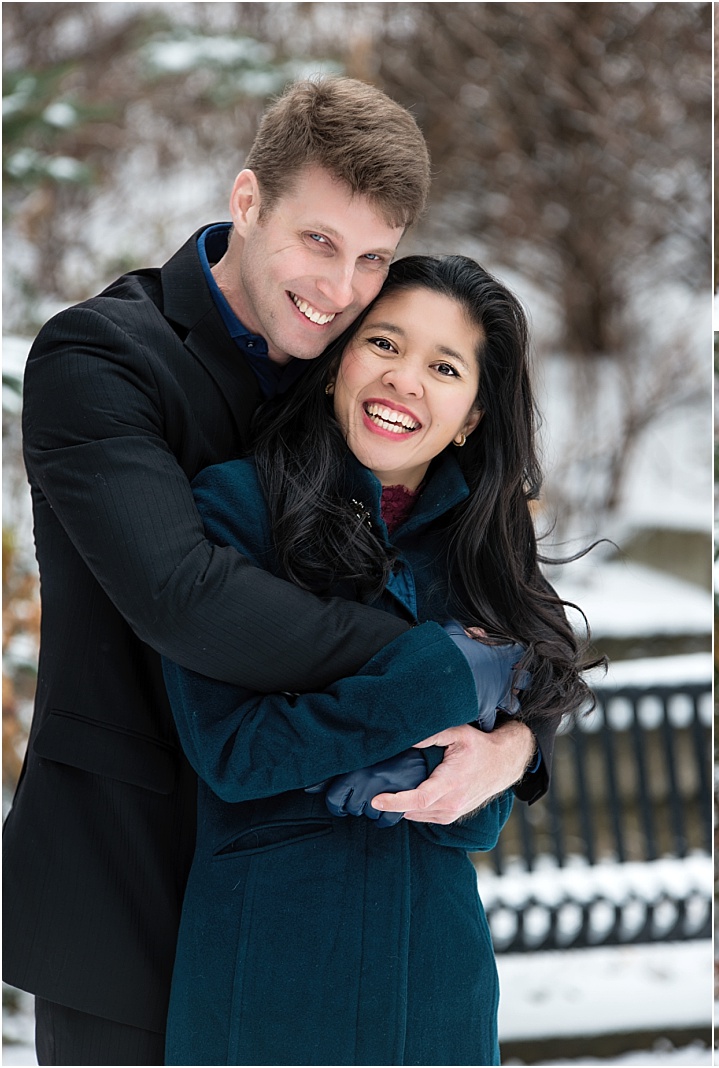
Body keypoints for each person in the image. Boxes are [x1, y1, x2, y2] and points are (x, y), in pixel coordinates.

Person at [4, 77, 551, 1066]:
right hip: (132, 878)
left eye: (371, 259)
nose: (341, 289)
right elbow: (189, 599)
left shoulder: (353, 366)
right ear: (247, 203)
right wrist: (438, 665)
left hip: (311, 889)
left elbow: (501, 600)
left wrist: (513, 742)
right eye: (318, 242)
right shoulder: (103, 359)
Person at [159, 255, 592, 1065]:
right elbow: (234, 752)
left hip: (436, 970)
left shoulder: (486, 540)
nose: (404, 381)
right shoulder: (236, 504)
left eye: (444, 366)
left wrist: (506, 752)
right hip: (270, 963)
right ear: (337, 365)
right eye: (384, 344)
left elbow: (498, 762)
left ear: (469, 415)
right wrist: (446, 677)